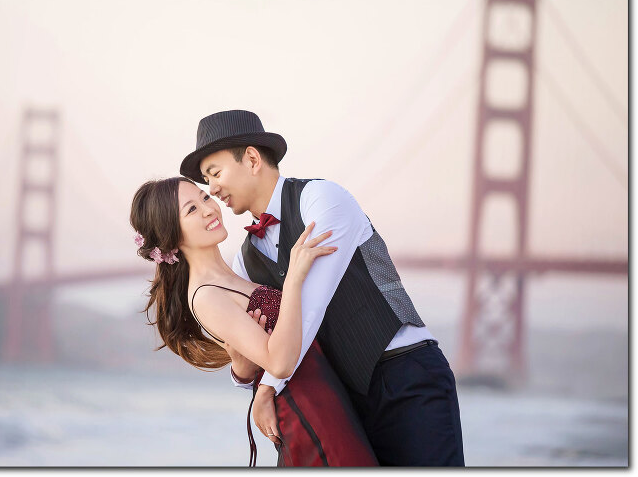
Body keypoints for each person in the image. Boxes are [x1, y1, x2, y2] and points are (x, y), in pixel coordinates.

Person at [178, 109, 465, 466]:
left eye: (215, 174)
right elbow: (257, 349)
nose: (213, 190)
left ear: (251, 159)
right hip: (342, 400)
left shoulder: (322, 199)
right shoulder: (245, 260)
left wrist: (267, 388)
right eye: (206, 181)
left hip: (405, 377)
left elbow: (311, 305)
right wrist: (242, 370)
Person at [130, 176, 379, 466]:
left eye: (205, 198)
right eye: (191, 210)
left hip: (327, 396)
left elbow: (259, 358)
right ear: (172, 235)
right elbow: (280, 363)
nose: (209, 209)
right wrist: (295, 280)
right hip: (307, 410)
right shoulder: (205, 296)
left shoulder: (234, 275)